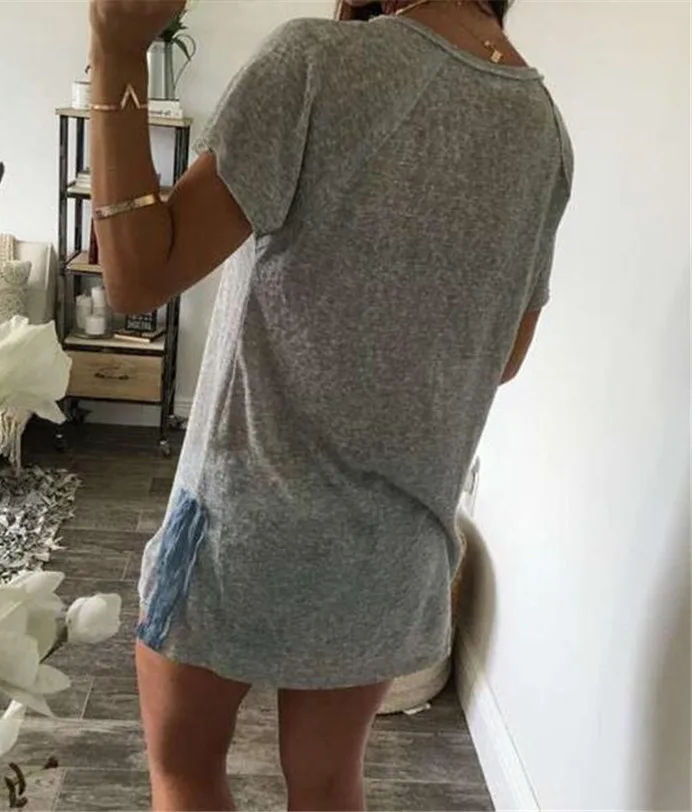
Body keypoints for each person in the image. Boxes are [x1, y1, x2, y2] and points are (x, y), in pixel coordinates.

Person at [88, 0, 572, 808]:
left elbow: (137, 278)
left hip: (241, 530)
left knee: (185, 768)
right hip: (392, 550)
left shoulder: (316, 63)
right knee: (327, 782)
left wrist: (117, 48)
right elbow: (504, 357)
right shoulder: (545, 131)